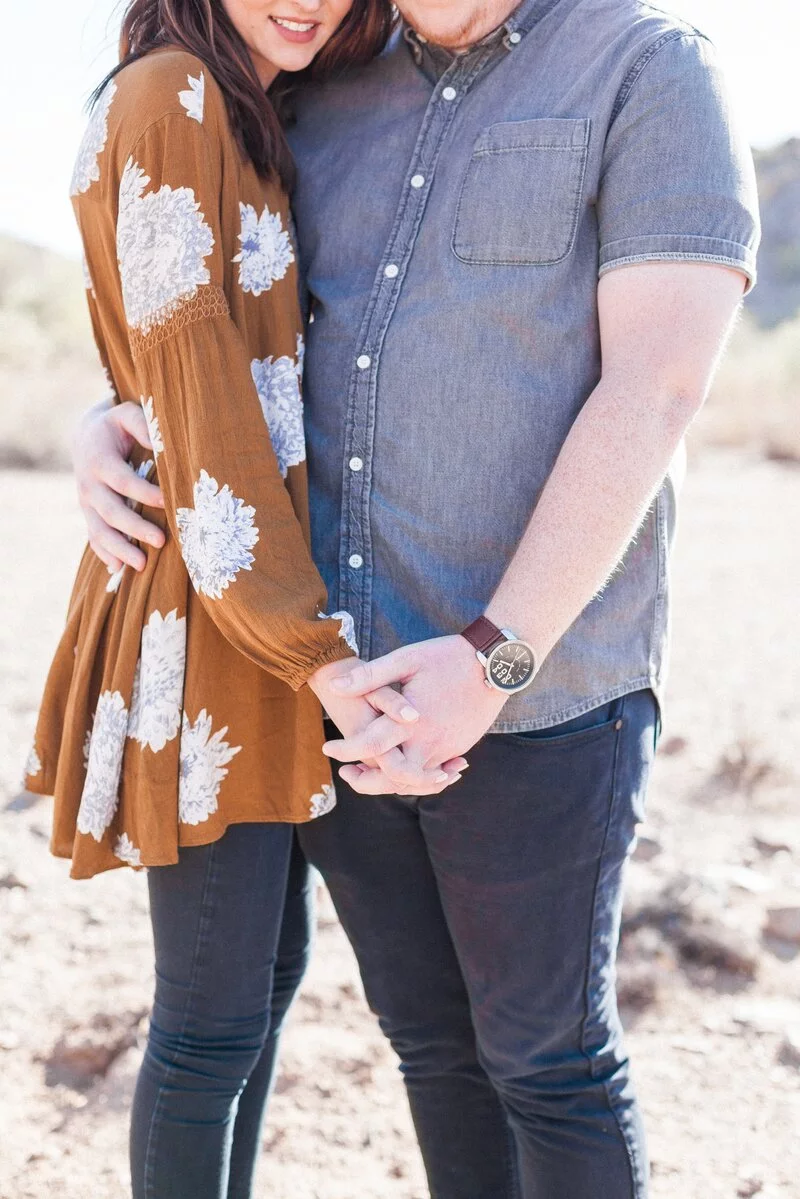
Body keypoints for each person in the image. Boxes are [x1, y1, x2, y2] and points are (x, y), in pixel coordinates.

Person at [71, 0, 760, 1195]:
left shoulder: (646, 67)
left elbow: (653, 390)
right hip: (354, 698)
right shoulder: (316, 85)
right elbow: (222, 321)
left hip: (538, 691)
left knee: (547, 1064)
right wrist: (113, 415)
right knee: (436, 1054)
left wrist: (493, 658)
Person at [25, 3, 470, 1197]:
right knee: (211, 1016)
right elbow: (199, 397)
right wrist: (310, 652)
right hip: (218, 609)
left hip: (245, 595)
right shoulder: (171, 95)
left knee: (256, 985)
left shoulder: (236, 106)